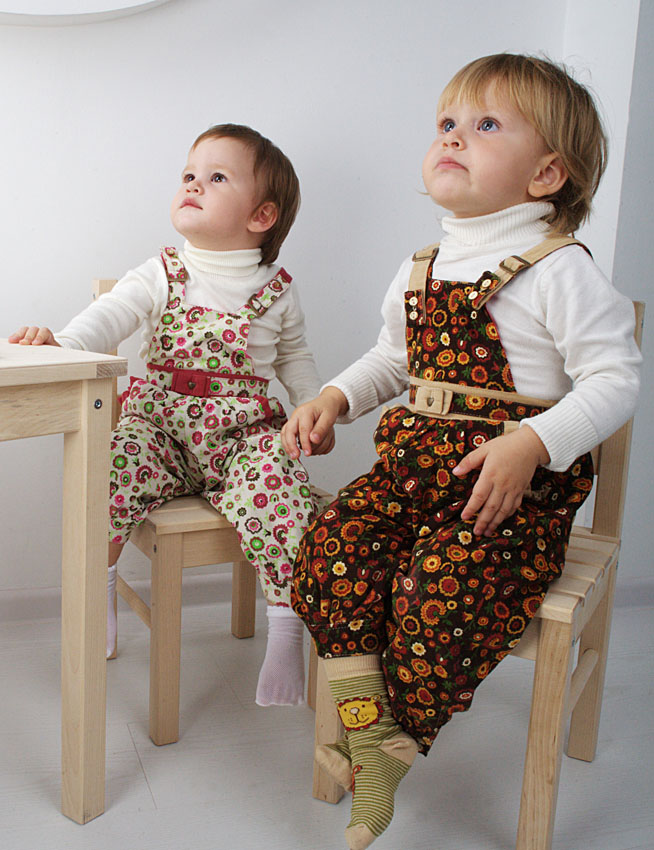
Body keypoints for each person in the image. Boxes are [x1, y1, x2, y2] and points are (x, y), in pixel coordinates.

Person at [282, 54, 641, 849]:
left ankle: (392, 743)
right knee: (331, 547)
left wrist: (534, 443)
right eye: (446, 123)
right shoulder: (421, 267)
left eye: (484, 125)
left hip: (505, 496)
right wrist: (336, 397)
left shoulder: (560, 270)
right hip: (409, 476)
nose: (452, 137)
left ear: (546, 174)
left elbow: (616, 379)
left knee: (438, 591)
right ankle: (374, 736)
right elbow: (392, 359)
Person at [10, 123, 326, 707]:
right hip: (160, 428)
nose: (193, 184)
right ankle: (99, 592)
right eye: (189, 174)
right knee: (110, 470)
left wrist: (313, 408)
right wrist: (64, 344)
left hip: (243, 435)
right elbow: (108, 317)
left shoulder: (277, 289)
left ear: (261, 215)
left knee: (283, 489)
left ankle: (285, 627)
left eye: (216, 177)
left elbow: (294, 357)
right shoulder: (161, 271)